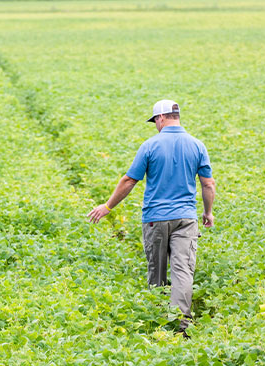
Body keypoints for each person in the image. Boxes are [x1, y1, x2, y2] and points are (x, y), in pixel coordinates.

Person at [87, 100, 216, 337]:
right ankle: (181, 328)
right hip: (186, 219)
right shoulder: (198, 145)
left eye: (155, 121)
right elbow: (208, 184)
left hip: (155, 218)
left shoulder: (150, 146)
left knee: (157, 271)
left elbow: (129, 180)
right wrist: (207, 212)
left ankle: (159, 323)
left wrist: (108, 206)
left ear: (161, 118)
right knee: (183, 271)